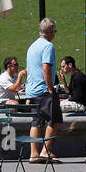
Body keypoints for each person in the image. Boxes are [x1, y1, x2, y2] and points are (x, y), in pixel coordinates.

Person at [25, 18, 62, 163]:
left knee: (36, 122)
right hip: (44, 90)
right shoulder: (48, 46)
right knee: (55, 119)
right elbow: (46, 67)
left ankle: (33, 154)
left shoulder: (32, 46)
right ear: (52, 32)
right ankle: (46, 151)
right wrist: (50, 87)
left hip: (32, 91)